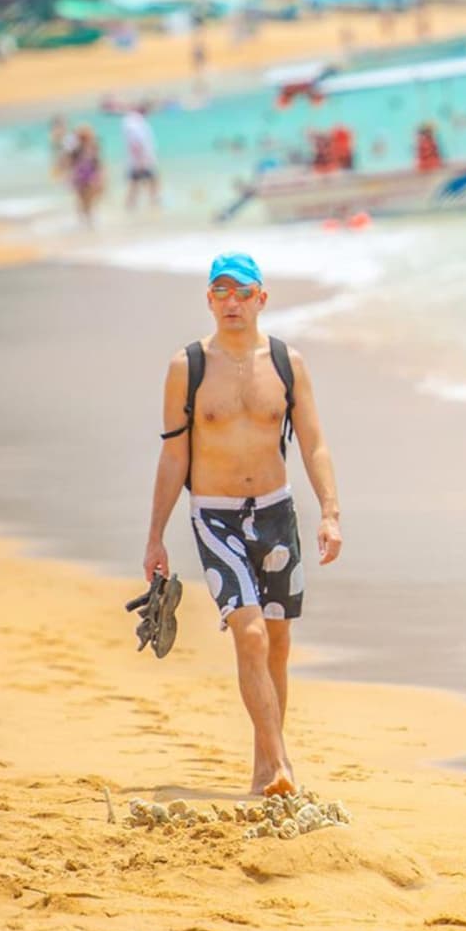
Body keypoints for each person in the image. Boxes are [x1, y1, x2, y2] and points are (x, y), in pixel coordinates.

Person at [143, 252, 342, 798]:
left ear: (262, 298)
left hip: (277, 515)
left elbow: (314, 442)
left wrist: (330, 511)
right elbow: (172, 457)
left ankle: (264, 769)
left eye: (242, 292)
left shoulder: (285, 362)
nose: (232, 302)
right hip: (215, 517)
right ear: (209, 300)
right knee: (249, 634)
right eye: (221, 292)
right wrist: (156, 535)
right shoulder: (187, 367)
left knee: (276, 643)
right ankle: (281, 765)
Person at [122, 102, 160, 210]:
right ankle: (152, 203)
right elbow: (135, 144)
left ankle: (133, 205)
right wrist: (141, 161)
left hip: (140, 159)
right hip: (141, 160)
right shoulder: (133, 123)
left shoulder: (132, 122)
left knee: (137, 184)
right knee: (149, 181)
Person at [69, 124, 103, 227]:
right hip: (81, 176)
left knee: (88, 199)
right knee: (83, 199)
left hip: (88, 176)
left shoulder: (92, 147)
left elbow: (97, 163)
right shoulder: (76, 150)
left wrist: (100, 176)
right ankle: (86, 219)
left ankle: (87, 219)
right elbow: (71, 164)